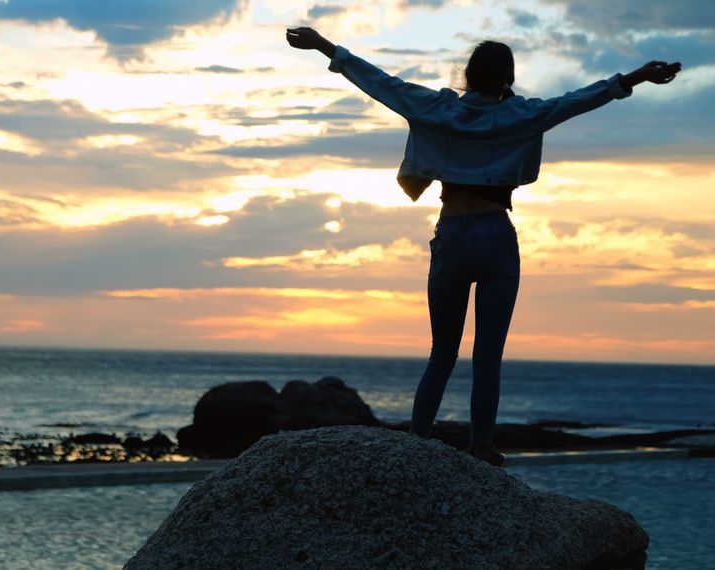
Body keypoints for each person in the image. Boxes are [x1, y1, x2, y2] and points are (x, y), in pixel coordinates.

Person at [286, 27, 681, 466]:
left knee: (442, 352)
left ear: (468, 76)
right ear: (506, 79)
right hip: (495, 235)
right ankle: (481, 444)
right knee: (488, 354)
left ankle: (417, 440)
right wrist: (638, 76)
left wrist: (326, 47)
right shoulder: (522, 115)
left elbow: (381, 83)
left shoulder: (435, 107)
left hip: (451, 234)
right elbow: (576, 100)